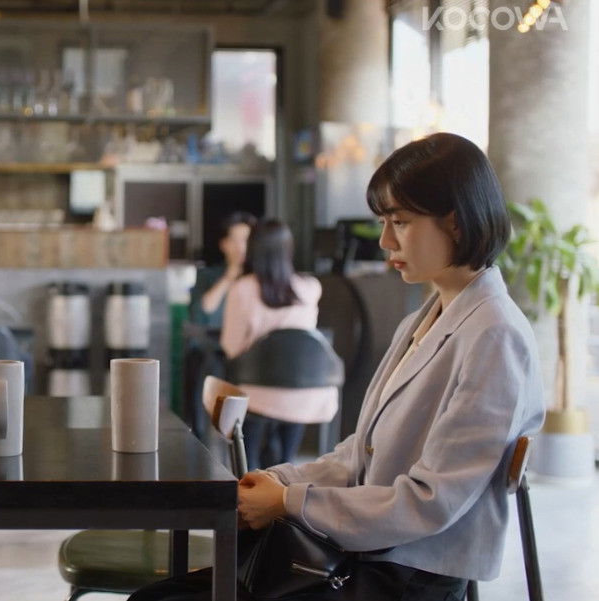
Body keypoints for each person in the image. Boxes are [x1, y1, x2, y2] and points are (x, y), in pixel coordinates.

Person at [130, 132, 545, 601]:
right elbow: (358, 457)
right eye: (384, 222)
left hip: (406, 579)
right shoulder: (426, 318)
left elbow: (431, 501)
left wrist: (288, 501)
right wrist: (281, 481)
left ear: (455, 222)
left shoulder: (494, 335)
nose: (386, 240)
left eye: (400, 222)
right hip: (365, 557)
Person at [219, 220, 324, 468]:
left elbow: (231, 347)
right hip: (303, 393)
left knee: (249, 461)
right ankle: (286, 467)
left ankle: (249, 475)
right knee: (286, 461)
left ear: (253, 249)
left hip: (256, 394)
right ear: (289, 248)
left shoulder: (243, 289)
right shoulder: (310, 288)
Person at [189, 211, 257, 328]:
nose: (241, 248)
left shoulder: (262, 275)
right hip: (215, 338)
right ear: (223, 244)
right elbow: (198, 316)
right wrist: (228, 278)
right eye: (234, 241)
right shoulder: (206, 275)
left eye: (246, 241)